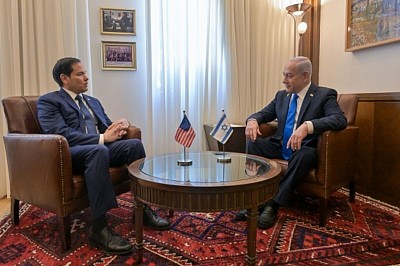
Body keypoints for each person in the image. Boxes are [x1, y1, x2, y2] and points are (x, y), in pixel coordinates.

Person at [37, 57, 171, 255]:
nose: (86, 78)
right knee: (98, 150)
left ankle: (142, 208)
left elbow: (107, 128)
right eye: (80, 74)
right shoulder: (49, 101)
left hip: (97, 151)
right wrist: (101, 138)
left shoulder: (92, 101)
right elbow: (60, 133)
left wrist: (121, 125)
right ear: (64, 78)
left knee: (133, 145)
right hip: (69, 155)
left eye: (85, 73)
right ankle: (99, 228)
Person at [236, 56, 347, 229]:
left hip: (304, 150)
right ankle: (256, 197)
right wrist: (252, 120)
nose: (284, 80)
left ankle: (273, 204)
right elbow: (262, 114)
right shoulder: (282, 96)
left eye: (289, 76)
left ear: (305, 76)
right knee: (253, 140)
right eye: (284, 75)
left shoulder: (324, 95)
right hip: (280, 146)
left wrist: (307, 126)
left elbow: (340, 119)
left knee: (303, 154)